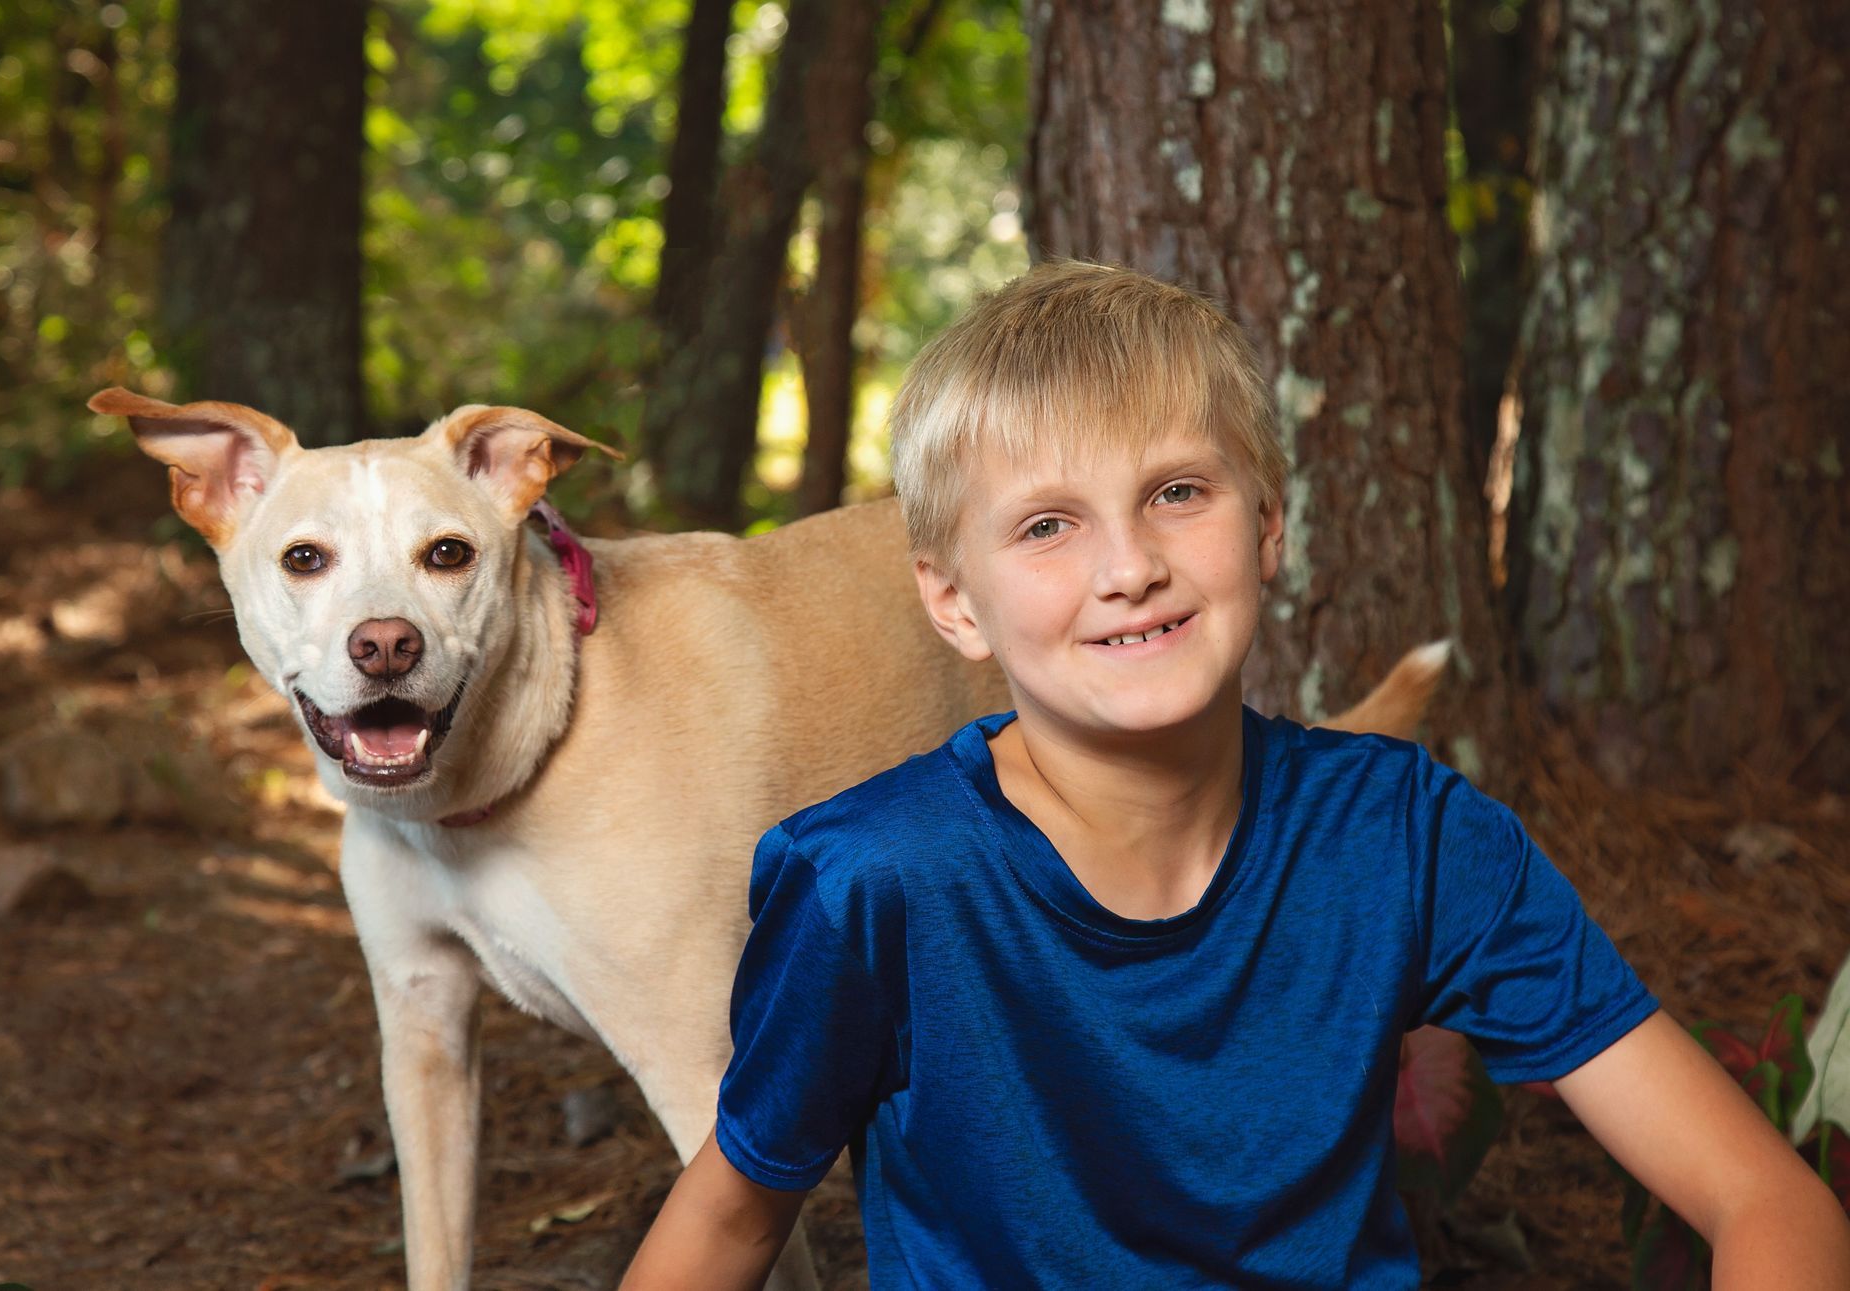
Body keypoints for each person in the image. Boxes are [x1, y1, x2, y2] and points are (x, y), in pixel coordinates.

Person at [621, 262, 1850, 1289]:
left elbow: (1766, 1201)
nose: (1131, 566)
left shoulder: (1407, 833)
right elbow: (728, 1219)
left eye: (1177, 493)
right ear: (954, 603)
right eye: (1048, 525)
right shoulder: (875, 880)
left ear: (1268, 525)